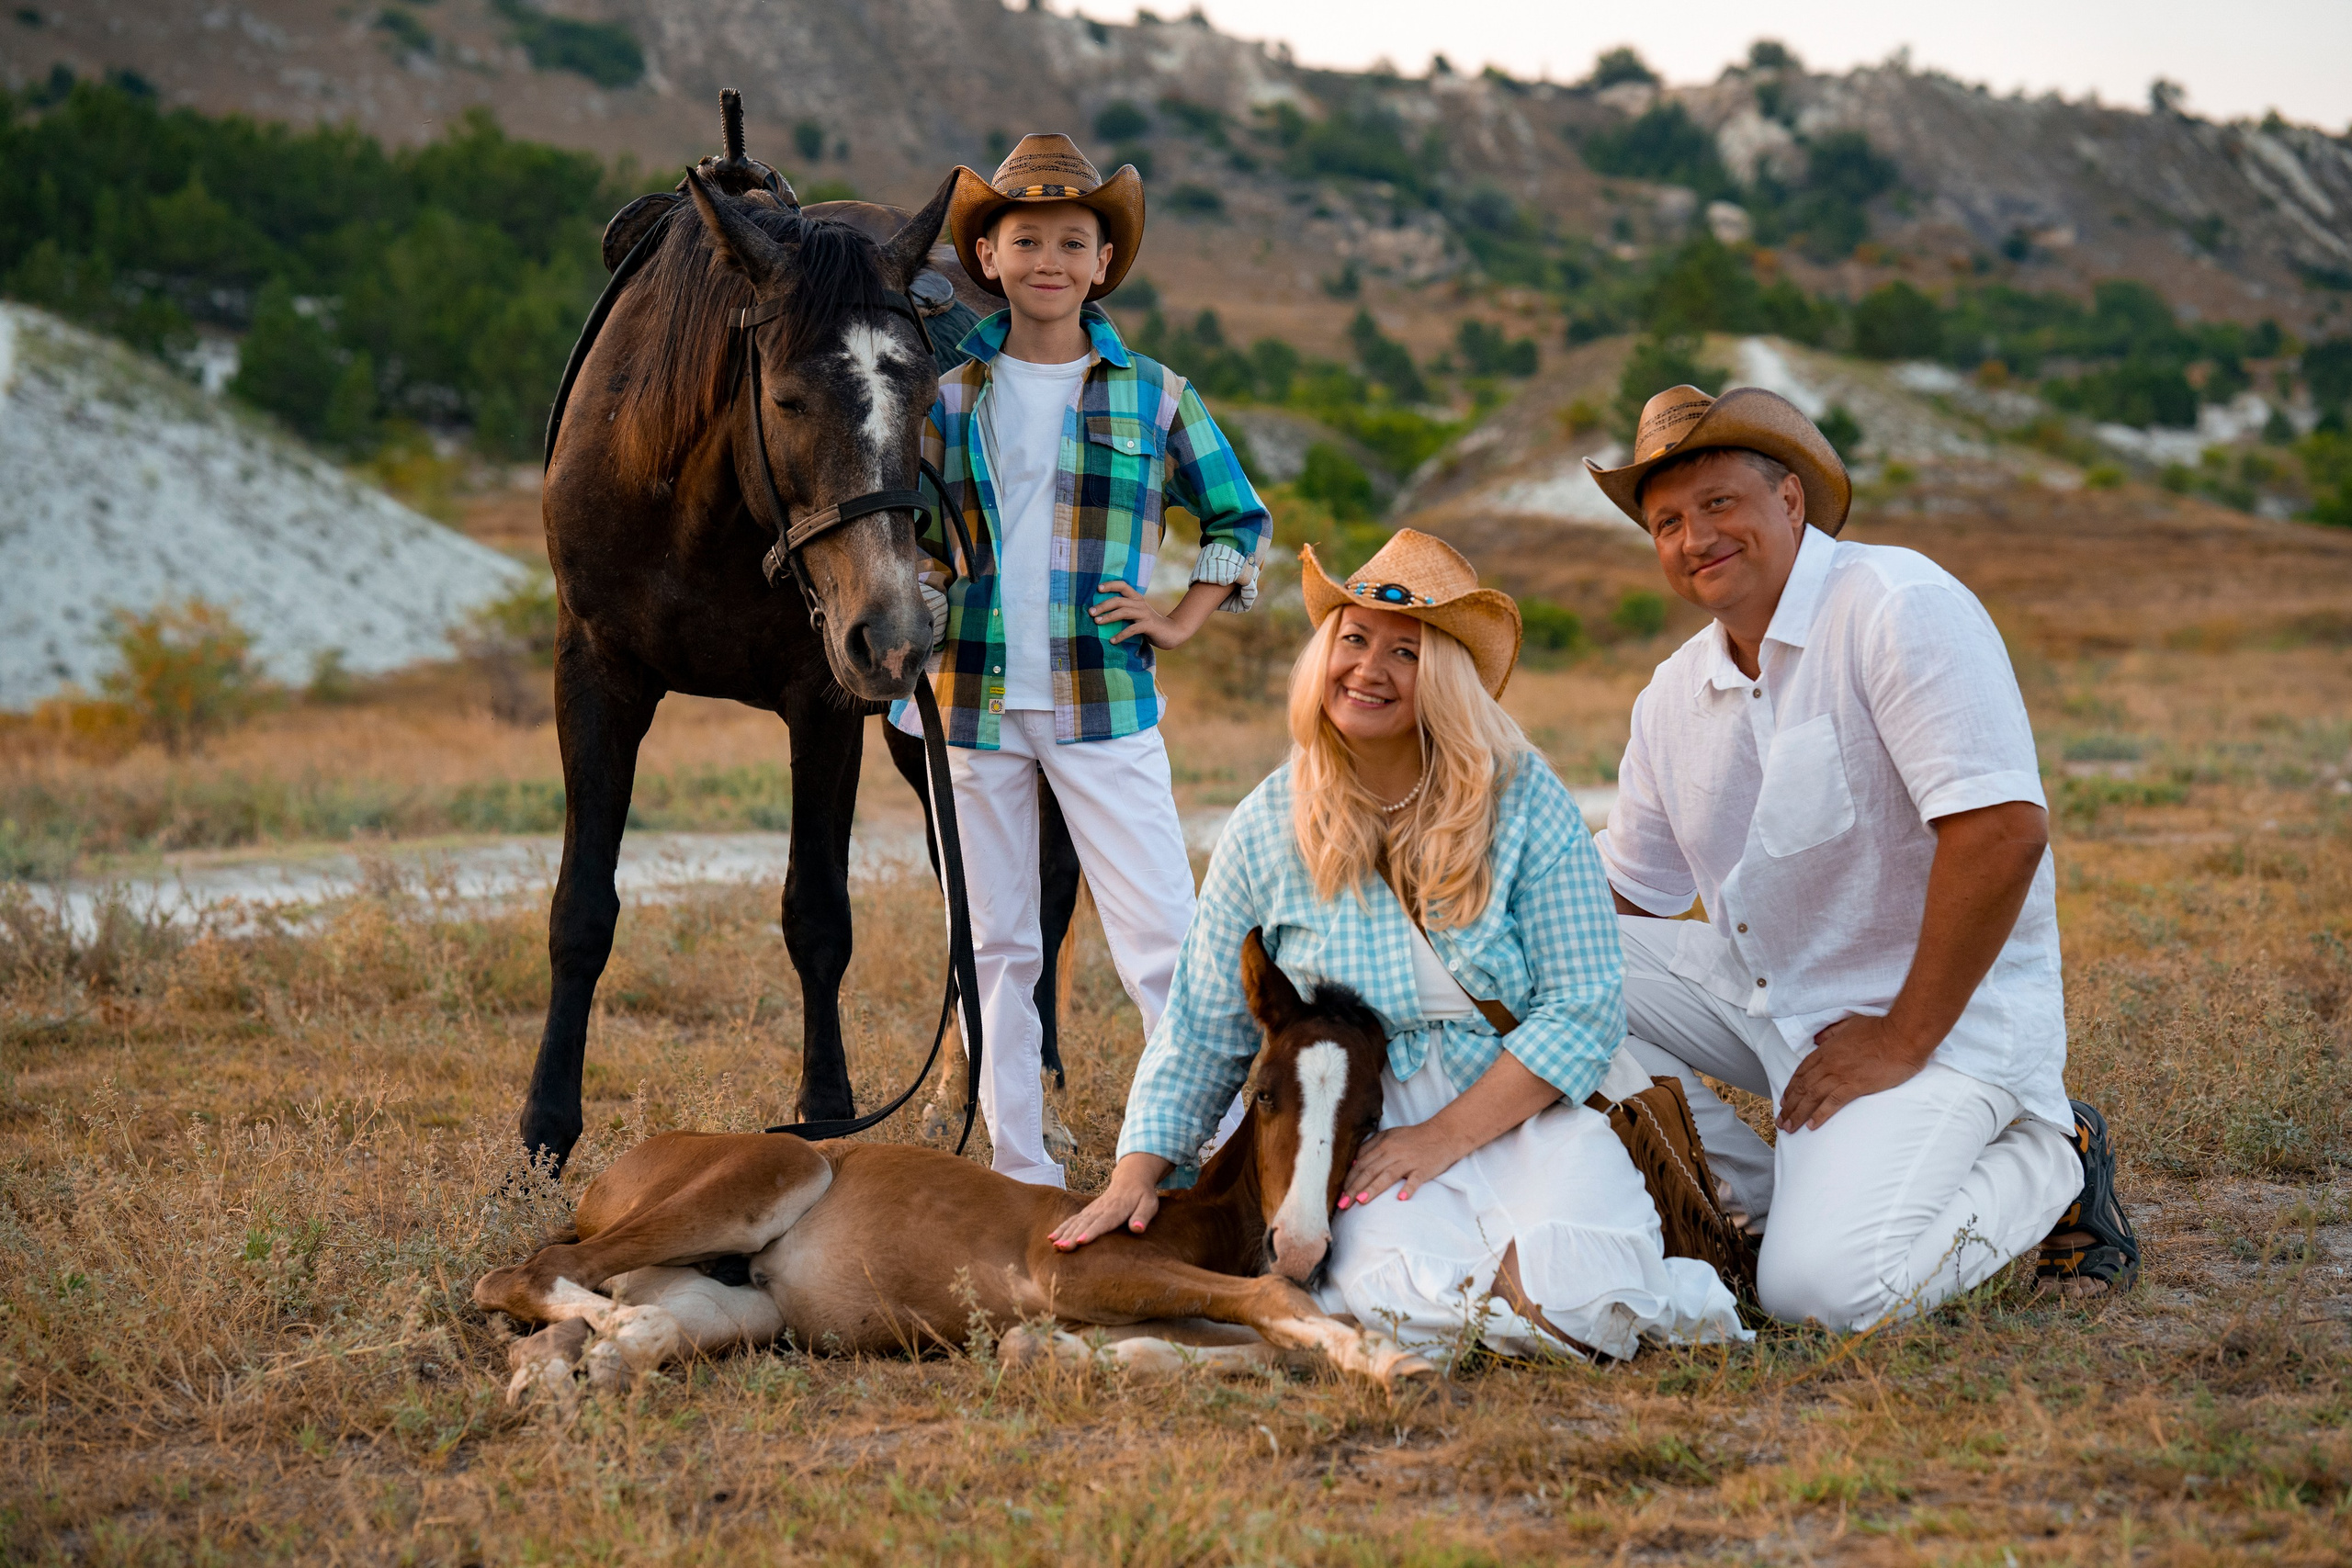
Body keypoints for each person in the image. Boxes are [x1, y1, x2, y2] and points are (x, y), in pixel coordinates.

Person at [1051, 531, 1748, 1365]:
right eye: (1353, 638)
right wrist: (1137, 1170)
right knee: (1398, 1296)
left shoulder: (1524, 800)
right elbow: (1202, 1026)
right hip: (1360, 1126)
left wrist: (1442, 1136)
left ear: (1446, 677)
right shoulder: (1269, 823)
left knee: (1578, 1298)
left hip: (1524, 1103)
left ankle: (1524, 1306)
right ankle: (1452, 1315)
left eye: (1405, 652)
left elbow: (1584, 1004)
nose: (1368, 669)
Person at [1580, 385, 2141, 1331]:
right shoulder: (1673, 695)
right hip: (1777, 1002)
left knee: (1828, 1296)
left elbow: (2002, 832)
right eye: (1667, 522)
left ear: (1789, 499)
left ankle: (2052, 1154)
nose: (1694, 537)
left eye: (1718, 503)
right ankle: (1759, 1205)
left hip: (1936, 1020)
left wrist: (1901, 1037)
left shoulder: (1897, 605)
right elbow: (1625, 892)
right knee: (1536, 966)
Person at [895, 134, 1272, 1186]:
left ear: (1104, 262)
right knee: (995, 945)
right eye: (1025, 240)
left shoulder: (1155, 394)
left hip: (1103, 700)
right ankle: (1018, 1171)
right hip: (969, 700)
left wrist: (1183, 615)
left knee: (1164, 935)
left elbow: (1238, 517)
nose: (1048, 260)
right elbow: (904, 536)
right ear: (987, 257)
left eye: (1072, 241)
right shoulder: (943, 398)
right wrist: (920, 590)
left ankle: (1209, 1159)